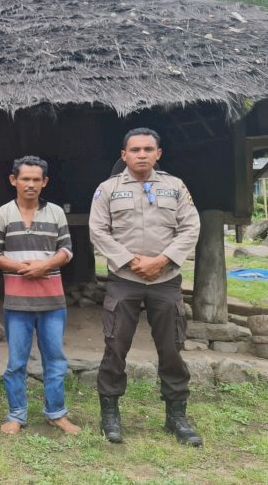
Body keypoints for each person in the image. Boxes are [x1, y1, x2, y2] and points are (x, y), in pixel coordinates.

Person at [89, 127, 202, 447]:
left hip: (165, 281)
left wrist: (162, 260)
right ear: (123, 155)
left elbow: (191, 227)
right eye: (135, 150)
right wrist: (130, 261)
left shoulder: (175, 187)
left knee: (171, 348)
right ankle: (110, 415)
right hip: (124, 281)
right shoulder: (108, 189)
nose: (141, 155)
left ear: (158, 154)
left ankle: (176, 416)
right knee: (116, 347)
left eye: (148, 149)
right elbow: (98, 231)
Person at [0, 156, 80, 435]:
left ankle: (56, 413)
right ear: (13, 180)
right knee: (16, 362)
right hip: (16, 302)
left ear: (45, 182)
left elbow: (67, 250)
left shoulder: (56, 214)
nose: (30, 184)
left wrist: (46, 265)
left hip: (53, 301)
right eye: (25, 179)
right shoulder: (2, 214)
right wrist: (19, 267)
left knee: (55, 359)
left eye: (36, 179)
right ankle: (16, 414)